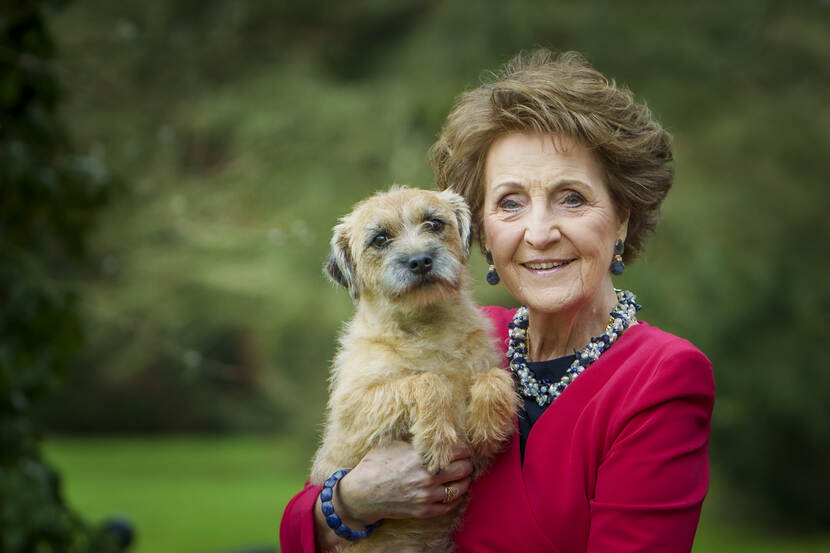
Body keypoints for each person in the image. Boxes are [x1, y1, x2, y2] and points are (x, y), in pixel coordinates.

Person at [280, 49, 714, 553]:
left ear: (621, 217)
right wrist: (352, 501)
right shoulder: (466, 334)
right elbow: (300, 523)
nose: (540, 231)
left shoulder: (660, 376)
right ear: (480, 228)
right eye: (510, 202)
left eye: (571, 197)